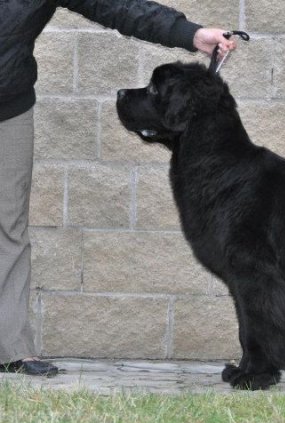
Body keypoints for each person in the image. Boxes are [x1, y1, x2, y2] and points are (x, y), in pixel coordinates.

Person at [0, 0, 236, 377]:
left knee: (7, 226)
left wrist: (191, 34)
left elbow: (117, 6)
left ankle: (10, 348)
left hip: (6, 106)